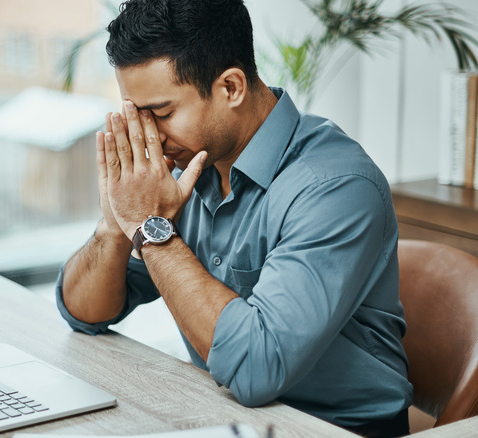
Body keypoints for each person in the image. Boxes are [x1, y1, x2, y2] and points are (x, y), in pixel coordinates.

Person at [55, 0, 413, 436]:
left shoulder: (335, 186)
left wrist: (151, 228)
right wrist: (118, 220)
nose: (149, 136)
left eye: (163, 113)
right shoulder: (180, 168)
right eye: (138, 115)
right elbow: (84, 313)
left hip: (333, 428)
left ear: (231, 87)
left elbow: (256, 369)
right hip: (224, 414)